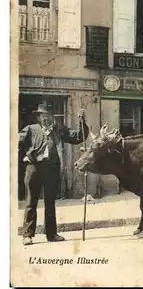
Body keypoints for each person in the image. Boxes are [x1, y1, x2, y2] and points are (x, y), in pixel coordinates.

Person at [19, 103, 89, 246]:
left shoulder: (59, 130)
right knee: (31, 202)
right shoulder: (31, 129)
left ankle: (51, 234)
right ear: (39, 118)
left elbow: (78, 137)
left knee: (50, 203)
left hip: (52, 169)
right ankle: (27, 235)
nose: (46, 120)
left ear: (53, 117)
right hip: (34, 168)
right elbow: (15, 142)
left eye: (49, 117)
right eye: (43, 117)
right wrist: (24, 156)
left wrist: (82, 121)